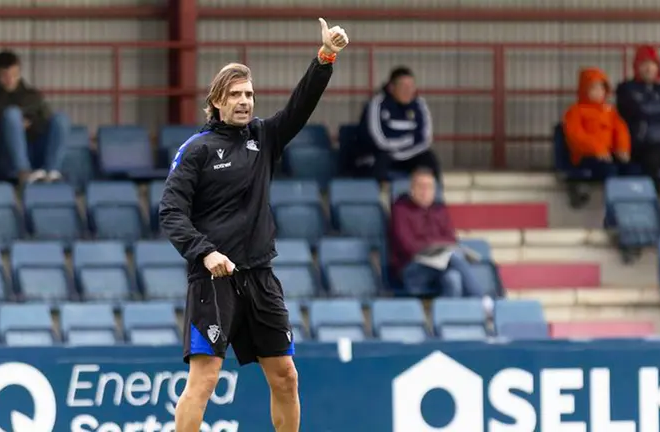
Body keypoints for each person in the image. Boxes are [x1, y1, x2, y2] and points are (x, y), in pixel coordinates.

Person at [159, 18, 348, 432]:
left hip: (260, 277)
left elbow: (301, 105)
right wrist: (205, 253)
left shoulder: (263, 137)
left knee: (286, 376)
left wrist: (325, 57)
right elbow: (170, 212)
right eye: (236, 95)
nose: (245, 101)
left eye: (249, 94)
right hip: (214, 281)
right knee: (204, 381)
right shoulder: (196, 150)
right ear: (216, 102)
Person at [389, 168, 489, 300]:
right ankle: (482, 300)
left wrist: (437, 248)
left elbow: (451, 239)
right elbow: (407, 245)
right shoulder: (401, 210)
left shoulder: (439, 210)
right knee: (453, 256)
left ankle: (452, 318)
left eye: (429, 187)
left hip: (440, 265)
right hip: (412, 269)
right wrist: (434, 247)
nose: (425, 192)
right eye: (421, 187)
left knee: (453, 278)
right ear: (412, 189)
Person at [0, 50, 69, 183]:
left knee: (61, 119)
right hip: (4, 155)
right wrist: (7, 127)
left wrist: (29, 126)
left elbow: (47, 122)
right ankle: (23, 171)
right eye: (5, 76)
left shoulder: (33, 96)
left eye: (14, 75)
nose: (10, 80)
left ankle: (52, 171)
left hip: (35, 149)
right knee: (12, 115)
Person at [357, 66, 441, 182]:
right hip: (382, 156)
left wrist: (403, 151)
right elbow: (379, 141)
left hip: (410, 155)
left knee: (429, 159)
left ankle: (435, 197)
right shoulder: (377, 104)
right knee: (380, 162)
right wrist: (409, 140)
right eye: (403, 86)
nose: (408, 91)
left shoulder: (419, 104)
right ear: (391, 88)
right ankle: (380, 197)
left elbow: (425, 139)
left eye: (411, 86)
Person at [616, 45, 660, 190]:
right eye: (644, 64)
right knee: (653, 160)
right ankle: (657, 200)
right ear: (636, 67)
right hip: (642, 145)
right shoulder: (626, 89)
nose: (649, 68)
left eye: (652, 64)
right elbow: (639, 111)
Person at [563, 67, 632, 177]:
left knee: (631, 169)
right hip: (586, 156)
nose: (599, 92)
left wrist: (622, 148)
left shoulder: (610, 111)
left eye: (602, 88)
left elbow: (621, 130)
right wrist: (597, 149)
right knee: (608, 170)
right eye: (594, 88)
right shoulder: (575, 111)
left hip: (609, 154)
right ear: (584, 89)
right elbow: (576, 136)